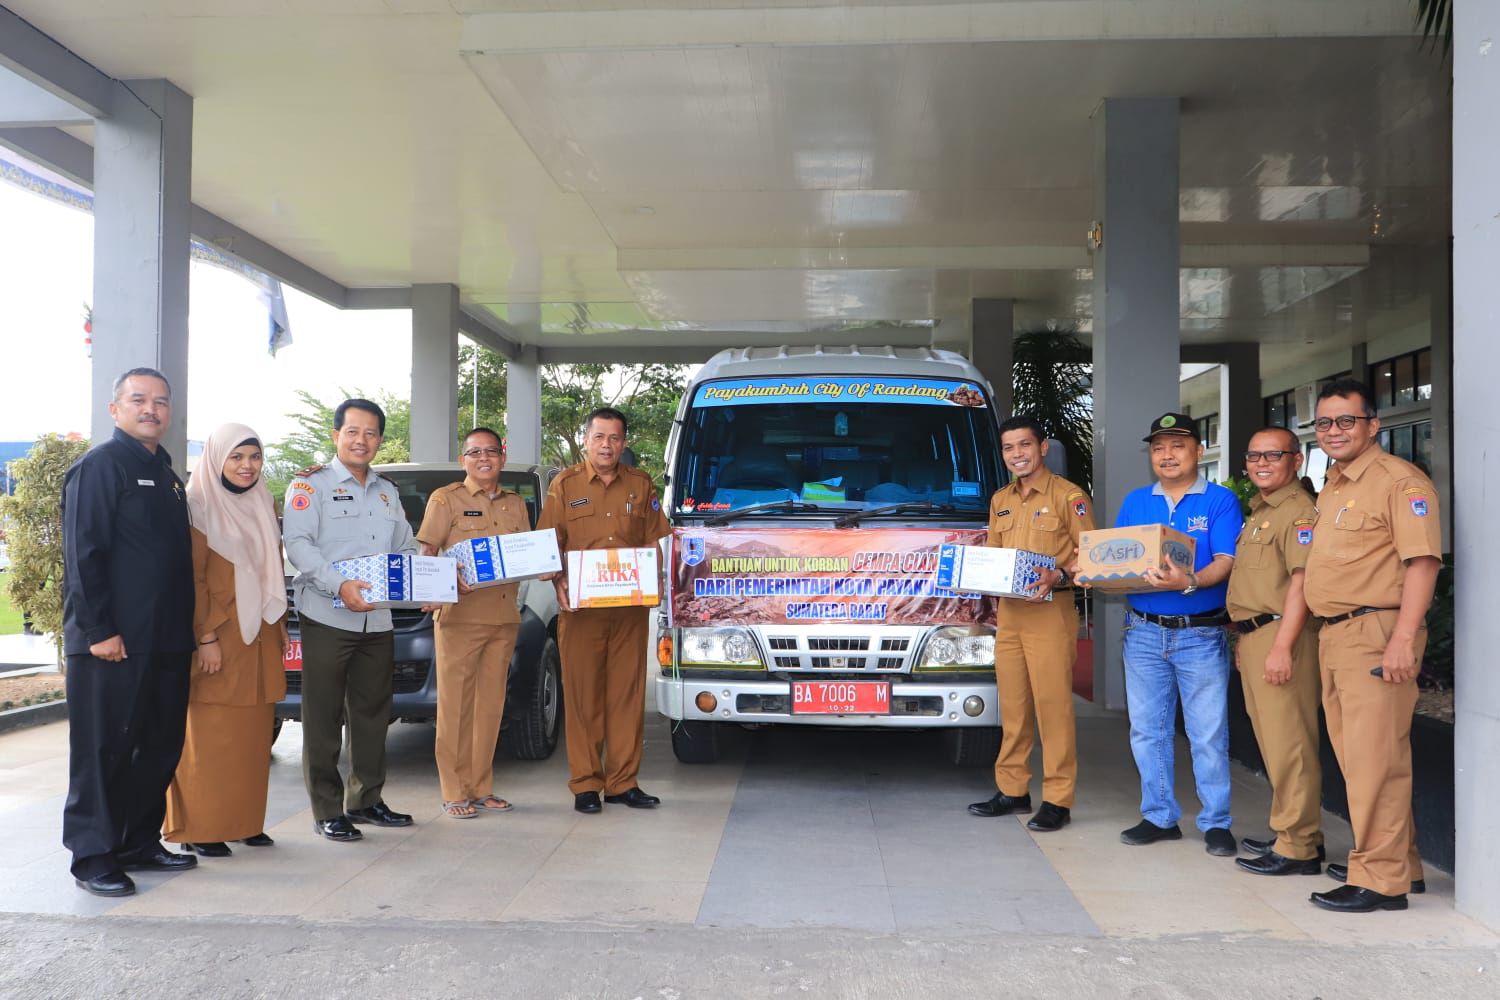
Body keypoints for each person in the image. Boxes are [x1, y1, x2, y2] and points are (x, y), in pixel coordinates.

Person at [1303, 378, 1441, 913]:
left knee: (1373, 762)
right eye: (1324, 423)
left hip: (1376, 633)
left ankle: (1381, 882)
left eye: (1346, 421)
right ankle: (1400, 863)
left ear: (1373, 425)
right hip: (1338, 634)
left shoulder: (1400, 483)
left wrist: (1403, 638)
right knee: (1365, 758)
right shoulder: (1335, 483)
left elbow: (1423, 562)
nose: (1334, 431)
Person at [61, 367, 198, 896]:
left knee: (159, 746)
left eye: (161, 402)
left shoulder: (164, 471)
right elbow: (83, 553)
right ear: (115, 409)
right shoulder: (100, 467)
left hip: (165, 640)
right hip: (112, 643)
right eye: (139, 400)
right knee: (103, 750)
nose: (151, 409)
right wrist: (98, 630)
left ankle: (138, 841)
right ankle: (93, 855)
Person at [1092, 412, 1244, 856]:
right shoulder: (1137, 501)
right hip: (1142, 633)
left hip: (1199, 635)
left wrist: (1189, 582)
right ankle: (1159, 816)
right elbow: (1118, 558)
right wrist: (1095, 574)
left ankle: (1216, 821)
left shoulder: (1219, 501)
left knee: (1207, 734)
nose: (1167, 455)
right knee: (1147, 731)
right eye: (1158, 447)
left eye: (1178, 445)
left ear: (1199, 450)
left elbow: (1225, 561)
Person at [282, 398, 418, 842]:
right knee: (322, 715)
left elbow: (406, 547)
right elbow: (298, 545)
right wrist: (339, 584)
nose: (362, 440)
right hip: (327, 614)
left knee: (373, 713)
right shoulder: (310, 487)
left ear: (379, 440)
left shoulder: (387, 491)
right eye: (353, 431)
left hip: (377, 620)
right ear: (336, 435)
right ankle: (326, 808)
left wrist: (434, 581)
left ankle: (366, 799)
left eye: (371, 433)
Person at [162, 424, 289, 857]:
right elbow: (193, 579)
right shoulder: (197, 507)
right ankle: (200, 827)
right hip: (219, 633)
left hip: (260, 636)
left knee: (253, 737)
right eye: (236, 457)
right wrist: (207, 636)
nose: (247, 466)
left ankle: (242, 821)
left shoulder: (262, 501)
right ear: (217, 458)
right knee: (210, 735)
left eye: (254, 457)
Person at [536, 407, 670, 813]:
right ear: (586, 440)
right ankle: (585, 784)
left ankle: (622, 783)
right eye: (599, 437)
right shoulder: (564, 484)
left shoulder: (640, 484)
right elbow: (549, 544)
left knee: (626, 696)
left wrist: (655, 578)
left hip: (629, 611)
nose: (607, 445)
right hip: (581, 612)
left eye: (614, 438)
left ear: (624, 442)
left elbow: (653, 541)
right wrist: (558, 580)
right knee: (582, 697)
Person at [967, 416, 1094, 831]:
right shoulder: (1001, 499)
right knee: (1015, 707)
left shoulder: (1068, 496)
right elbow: (994, 556)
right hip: (1011, 614)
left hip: (1050, 613)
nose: (1017, 454)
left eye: (1024, 445)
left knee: (1053, 708)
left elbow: (1089, 550)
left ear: (1043, 448)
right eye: (1008, 448)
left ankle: (1058, 798)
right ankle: (1013, 790)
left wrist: (1058, 574)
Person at [416, 428, 530, 819]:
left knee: (489, 707)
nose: (484, 458)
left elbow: (526, 554)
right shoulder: (445, 499)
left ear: (503, 455)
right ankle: (454, 791)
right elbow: (428, 551)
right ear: (463, 458)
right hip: (460, 619)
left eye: (491, 451)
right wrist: (439, 582)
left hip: (503, 617)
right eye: (475, 452)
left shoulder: (516, 503)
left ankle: (481, 788)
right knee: (455, 707)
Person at [1226, 427, 1324, 877]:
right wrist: (1248, 641)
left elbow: (1301, 584)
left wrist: (1281, 646)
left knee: (1290, 744)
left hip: (1283, 634)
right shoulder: (1262, 511)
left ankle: (1298, 846)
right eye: (1254, 455)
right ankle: (1291, 831)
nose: (1261, 463)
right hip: (1257, 635)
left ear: (1297, 461)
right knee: (1273, 741)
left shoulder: (1298, 514)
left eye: (1273, 455)